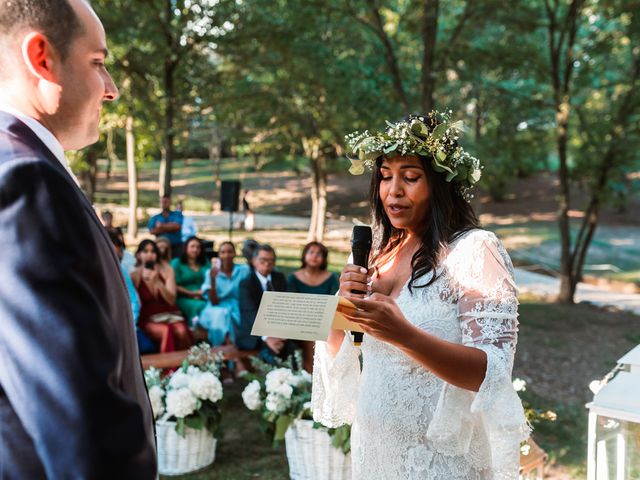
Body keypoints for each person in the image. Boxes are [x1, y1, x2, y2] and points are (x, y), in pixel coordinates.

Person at [312, 112, 528, 479]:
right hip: (376, 446)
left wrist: (403, 334)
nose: (393, 190)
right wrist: (338, 311)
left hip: (441, 459)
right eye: (385, 176)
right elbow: (347, 358)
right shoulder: (372, 254)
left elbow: (491, 374)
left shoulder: (474, 251)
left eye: (410, 177)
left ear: (441, 185)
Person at [0, 0, 157, 477]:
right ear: (42, 57)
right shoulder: (26, 181)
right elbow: (81, 419)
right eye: (98, 63)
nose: (111, 90)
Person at [238, 244, 301, 364]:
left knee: (293, 350)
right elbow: (250, 313)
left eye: (271, 261)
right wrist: (267, 337)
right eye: (263, 260)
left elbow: (288, 305)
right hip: (256, 333)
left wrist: (281, 335)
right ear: (254, 261)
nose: (267, 264)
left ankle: (296, 380)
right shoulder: (246, 283)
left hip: (279, 330)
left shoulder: (279, 278)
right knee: (269, 355)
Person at [131, 239, 193, 353]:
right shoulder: (134, 275)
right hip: (147, 318)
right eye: (145, 251)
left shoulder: (167, 270)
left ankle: (188, 364)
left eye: (153, 251)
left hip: (168, 314)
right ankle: (166, 368)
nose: (149, 255)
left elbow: (171, 300)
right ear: (139, 255)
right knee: (165, 330)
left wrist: (158, 283)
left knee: (182, 330)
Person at [288, 241, 339, 371]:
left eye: (319, 254)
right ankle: (310, 374)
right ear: (304, 255)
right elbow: (291, 305)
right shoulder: (293, 278)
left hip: (325, 321)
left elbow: (335, 302)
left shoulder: (332, 278)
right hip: (299, 322)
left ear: (324, 259)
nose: (315, 256)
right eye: (311, 252)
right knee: (311, 339)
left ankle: (326, 371)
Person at [106, 228, 157, 354]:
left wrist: (128, 325)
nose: (117, 260)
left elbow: (134, 301)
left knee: (147, 348)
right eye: (112, 255)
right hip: (104, 327)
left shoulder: (121, 270)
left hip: (125, 325)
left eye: (119, 255)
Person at [198, 241, 250, 346]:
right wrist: (213, 280)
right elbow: (214, 301)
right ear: (219, 255)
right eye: (223, 252)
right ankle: (223, 350)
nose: (226, 255)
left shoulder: (244, 270)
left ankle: (228, 355)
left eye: (230, 252)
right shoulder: (210, 273)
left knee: (231, 317)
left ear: (235, 253)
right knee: (222, 316)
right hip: (216, 307)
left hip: (237, 306)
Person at [171, 236, 210, 325]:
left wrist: (203, 294)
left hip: (204, 295)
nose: (195, 250)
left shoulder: (205, 262)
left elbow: (211, 280)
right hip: (183, 297)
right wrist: (192, 294)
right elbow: (174, 285)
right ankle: (195, 329)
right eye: (192, 246)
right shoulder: (177, 263)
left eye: (198, 247)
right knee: (201, 306)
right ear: (186, 248)